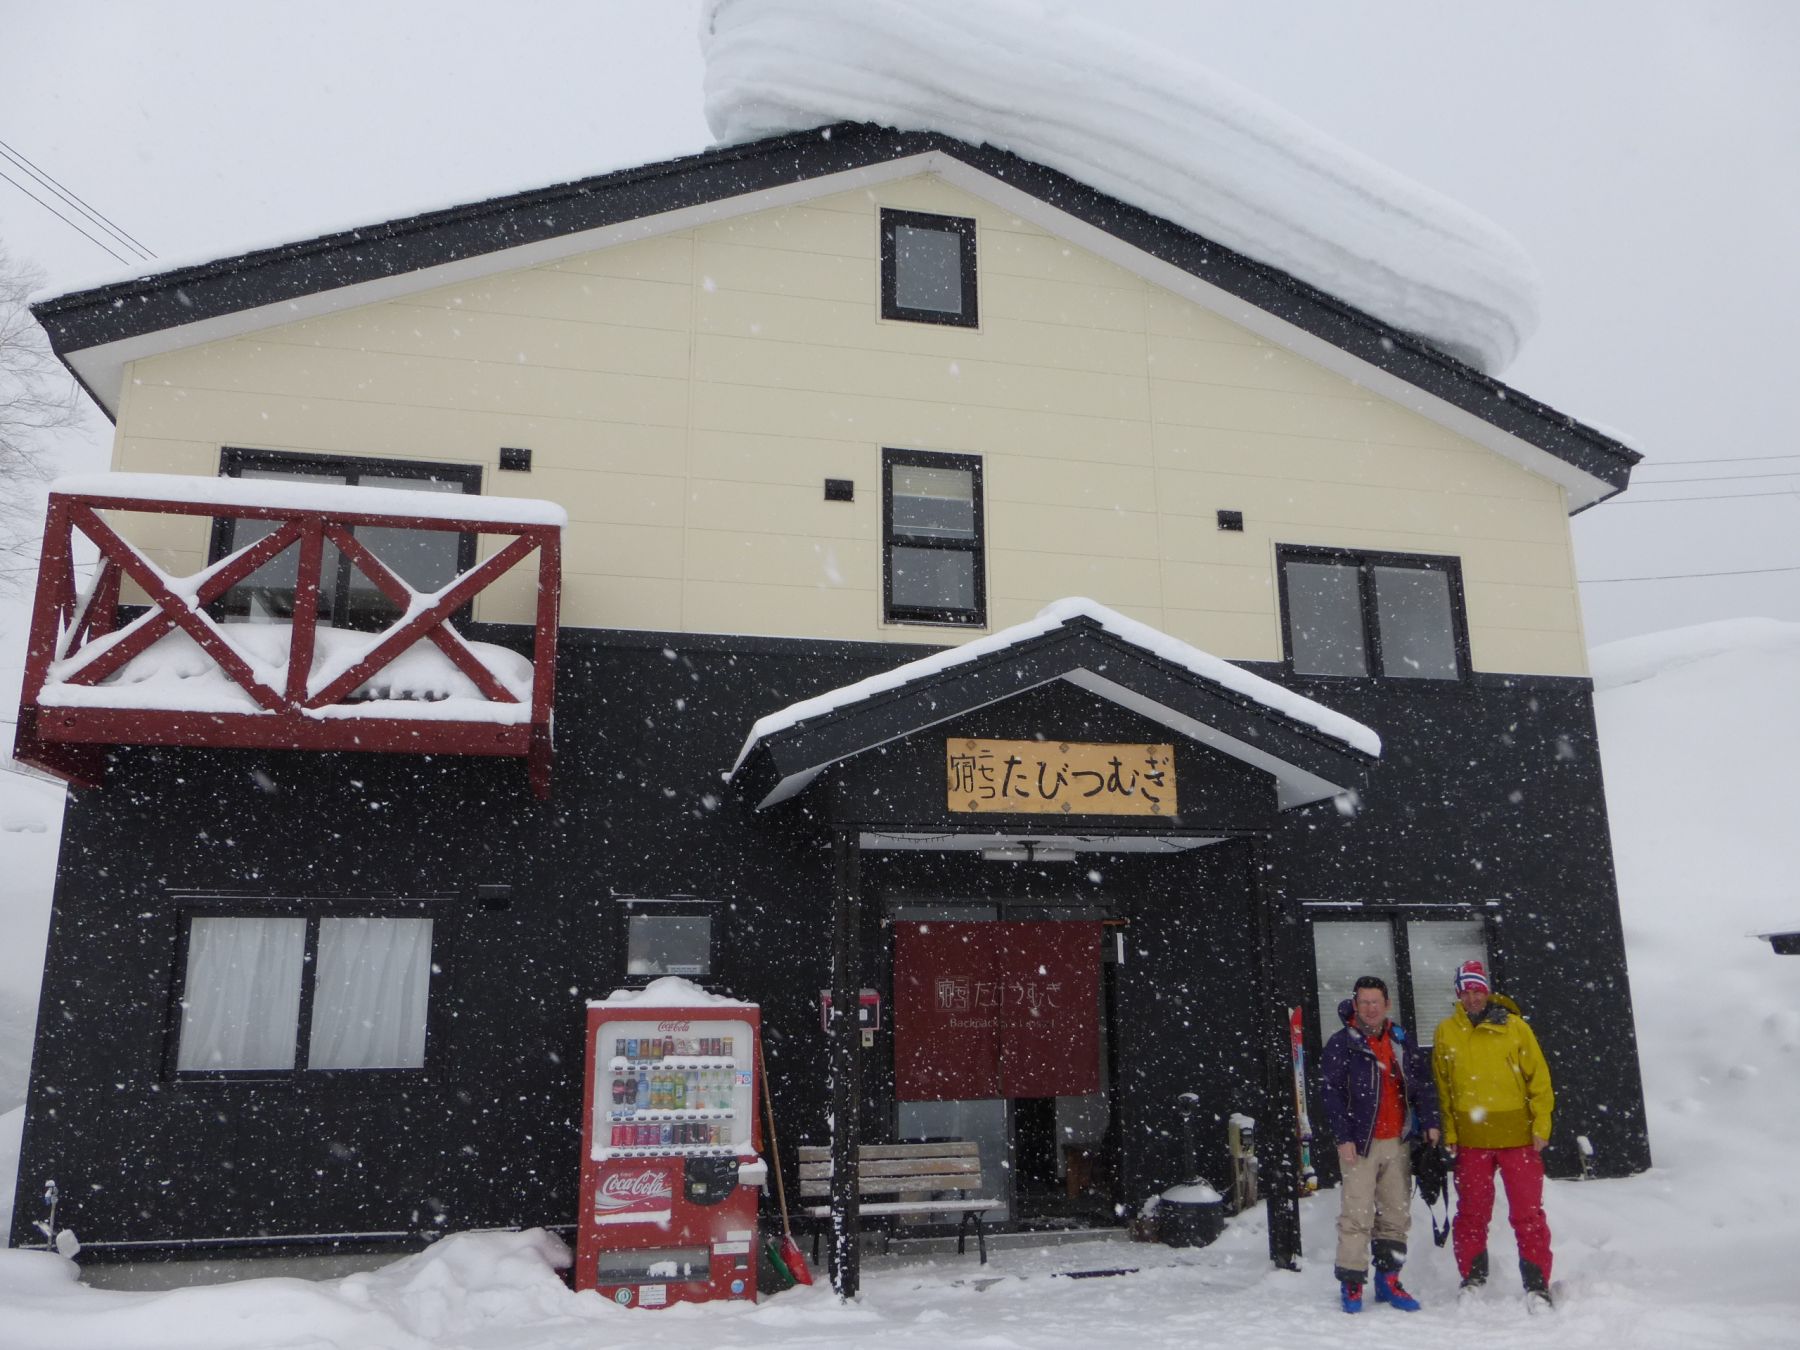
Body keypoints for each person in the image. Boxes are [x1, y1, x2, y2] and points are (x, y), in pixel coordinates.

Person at [1432, 959, 1556, 1309]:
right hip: (1471, 1141)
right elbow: (1443, 1088)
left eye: (1478, 990)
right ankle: (1472, 1278)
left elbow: (1540, 1079)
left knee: (1527, 1215)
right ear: (1458, 994)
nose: (1473, 998)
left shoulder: (1515, 1027)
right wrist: (1450, 1131)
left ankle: (1537, 1284)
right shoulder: (1446, 1031)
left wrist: (1541, 1125)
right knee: (1471, 1213)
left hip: (1519, 1138)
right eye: (1466, 991)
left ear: (1487, 991)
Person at [1320, 975, 1440, 1314]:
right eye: (1364, 1002)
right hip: (1360, 1144)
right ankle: (1352, 1282)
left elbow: (1422, 1085)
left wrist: (1430, 1121)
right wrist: (1343, 1137)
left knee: (1395, 1215)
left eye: (1376, 1002)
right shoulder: (1342, 1043)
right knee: (1356, 1215)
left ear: (1387, 1004)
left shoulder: (1400, 1039)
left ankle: (1389, 1279)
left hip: (1397, 1142)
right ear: (1355, 1005)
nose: (1371, 1008)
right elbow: (1330, 1094)